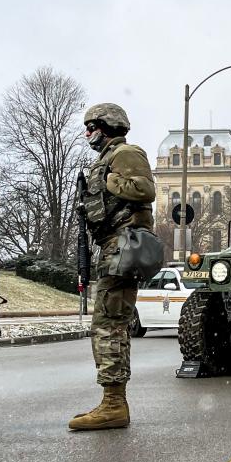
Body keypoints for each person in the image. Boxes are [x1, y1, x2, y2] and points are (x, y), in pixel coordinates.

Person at [69, 103, 155, 431]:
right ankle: (112, 401)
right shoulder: (107, 159)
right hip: (112, 247)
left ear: (106, 126)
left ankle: (114, 404)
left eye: (91, 127)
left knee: (109, 324)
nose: (87, 134)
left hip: (124, 246)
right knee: (109, 322)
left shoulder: (125, 153)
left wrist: (108, 182)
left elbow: (145, 189)